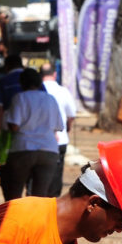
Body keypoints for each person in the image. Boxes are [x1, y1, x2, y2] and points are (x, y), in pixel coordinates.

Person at [1, 68, 64, 201]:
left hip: (23, 149)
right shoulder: (50, 99)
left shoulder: (20, 98)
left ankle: (15, 220)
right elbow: (59, 126)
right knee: (40, 197)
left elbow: (14, 126)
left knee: (14, 194)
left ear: (22, 83)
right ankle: (35, 221)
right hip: (48, 151)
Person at [40, 63, 78, 197]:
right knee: (56, 175)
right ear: (55, 74)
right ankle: (53, 202)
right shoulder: (63, 91)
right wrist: (68, 127)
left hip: (39, 141)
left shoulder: (38, 91)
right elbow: (72, 114)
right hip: (60, 140)